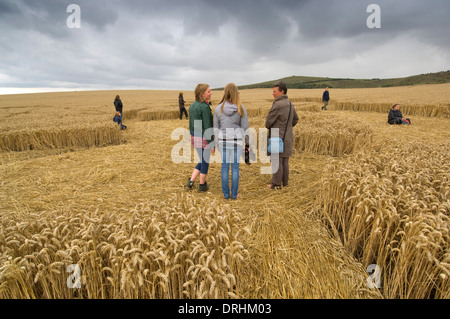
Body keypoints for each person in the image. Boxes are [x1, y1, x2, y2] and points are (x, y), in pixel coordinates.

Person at [214, 83, 250, 200]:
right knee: (235, 168)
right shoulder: (240, 108)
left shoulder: (218, 108)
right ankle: (234, 195)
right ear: (236, 93)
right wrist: (247, 143)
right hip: (237, 142)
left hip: (223, 141)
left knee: (224, 167)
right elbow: (245, 127)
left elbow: (215, 128)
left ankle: (226, 195)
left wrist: (216, 143)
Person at [265, 81, 299, 189]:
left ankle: (276, 184)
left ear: (282, 91)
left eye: (275, 91)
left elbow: (268, 122)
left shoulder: (277, 104)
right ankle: (285, 182)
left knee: (276, 160)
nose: (273, 93)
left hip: (276, 135)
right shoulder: (290, 104)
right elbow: (295, 119)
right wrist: (287, 127)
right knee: (284, 160)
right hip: (288, 136)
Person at [186, 84, 215, 192]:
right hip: (204, 138)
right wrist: (211, 143)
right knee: (205, 161)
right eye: (208, 91)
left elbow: (191, 123)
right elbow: (207, 126)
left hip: (195, 136)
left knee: (202, 160)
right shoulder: (204, 107)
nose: (211, 93)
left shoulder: (192, 105)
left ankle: (191, 181)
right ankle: (202, 185)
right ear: (202, 94)